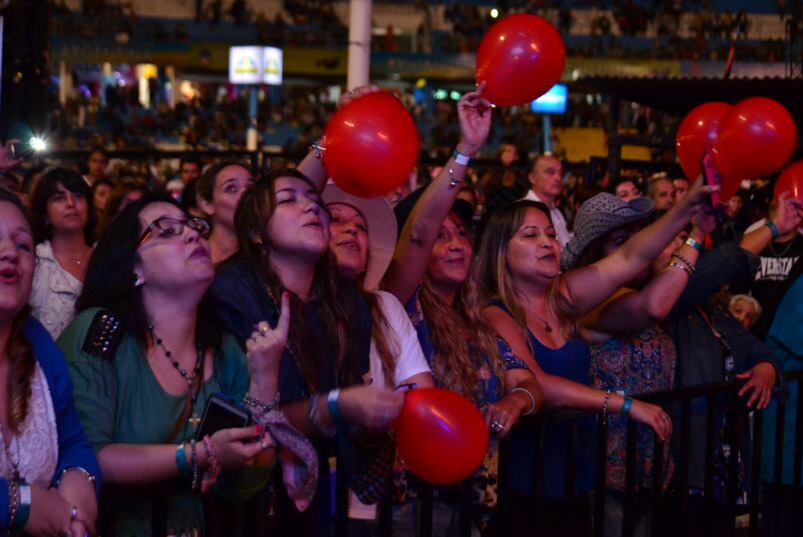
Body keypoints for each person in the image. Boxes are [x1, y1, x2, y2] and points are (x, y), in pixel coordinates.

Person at [58, 192, 286, 536]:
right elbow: (88, 459)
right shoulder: (103, 332)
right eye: (165, 231)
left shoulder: (224, 349)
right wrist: (198, 455)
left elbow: (240, 486)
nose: (193, 234)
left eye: (193, 226)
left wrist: (266, 380)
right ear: (133, 267)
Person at [385, 88, 545, 535]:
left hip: (474, 501)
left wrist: (516, 401)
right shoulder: (402, 306)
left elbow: (528, 381)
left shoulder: (479, 319)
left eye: (461, 234)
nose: (456, 243)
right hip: (414, 502)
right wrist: (467, 150)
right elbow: (417, 234)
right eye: (442, 236)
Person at [211, 168, 404, 537]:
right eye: (288, 199)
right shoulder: (230, 292)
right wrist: (337, 405)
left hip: (313, 500)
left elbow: (349, 408)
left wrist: (371, 420)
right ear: (255, 231)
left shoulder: (346, 302)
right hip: (240, 501)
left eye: (317, 202)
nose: (311, 207)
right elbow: (241, 422)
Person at [562, 192, 717, 537]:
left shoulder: (645, 286)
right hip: (605, 471)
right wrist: (695, 237)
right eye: (621, 241)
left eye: (638, 237)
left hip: (648, 465)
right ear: (596, 254)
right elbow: (651, 308)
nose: (636, 249)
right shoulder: (593, 303)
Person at [0, 188, 100, 536]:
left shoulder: (38, 343)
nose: (10, 253)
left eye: (23, 244)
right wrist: (16, 504)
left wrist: (79, 478)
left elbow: (72, 439)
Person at [29, 168, 96, 338]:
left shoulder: (106, 257)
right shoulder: (34, 263)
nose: (70, 203)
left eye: (78, 196)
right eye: (59, 198)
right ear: (44, 213)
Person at [196, 161, 254, 265]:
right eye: (231, 188)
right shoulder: (193, 259)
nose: (245, 194)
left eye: (250, 188)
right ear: (207, 205)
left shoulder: (266, 258)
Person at [522, 154, 572, 247]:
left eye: (560, 174)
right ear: (532, 178)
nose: (558, 178)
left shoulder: (556, 211)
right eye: (550, 172)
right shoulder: (523, 211)